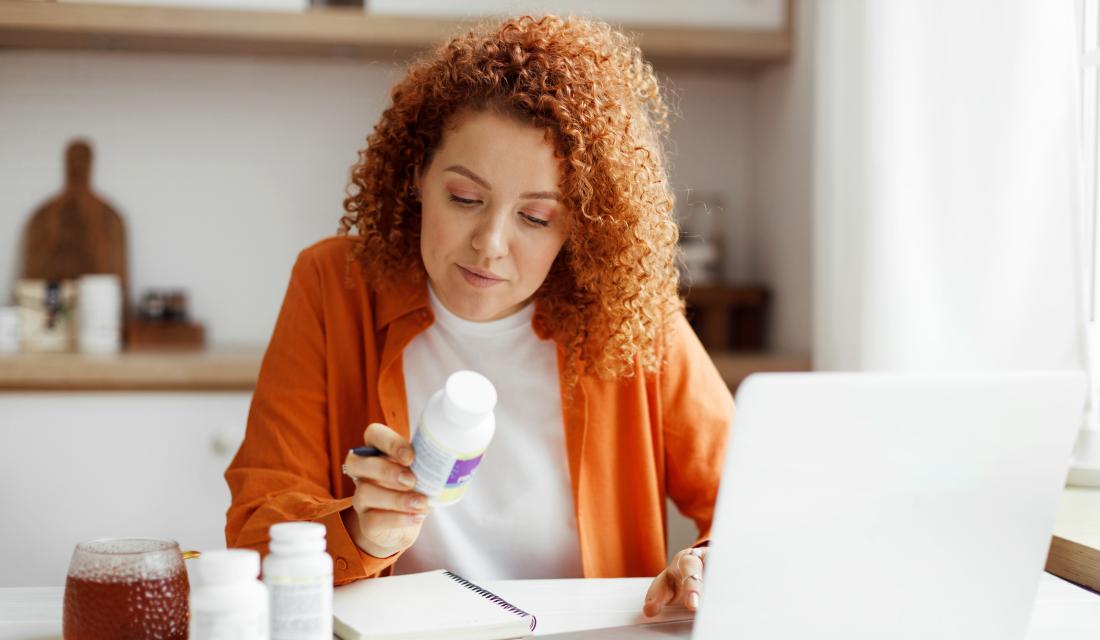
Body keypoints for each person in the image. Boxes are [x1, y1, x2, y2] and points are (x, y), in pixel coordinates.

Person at [224, 14, 733, 617]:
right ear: (417, 175)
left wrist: (708, 561)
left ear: (580, 224)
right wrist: (360, 534)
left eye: (536, 217)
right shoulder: (335, 286)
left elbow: (761, 509)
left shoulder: (628, 312)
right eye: (465, 199)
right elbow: (257, 527)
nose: (490, 243)